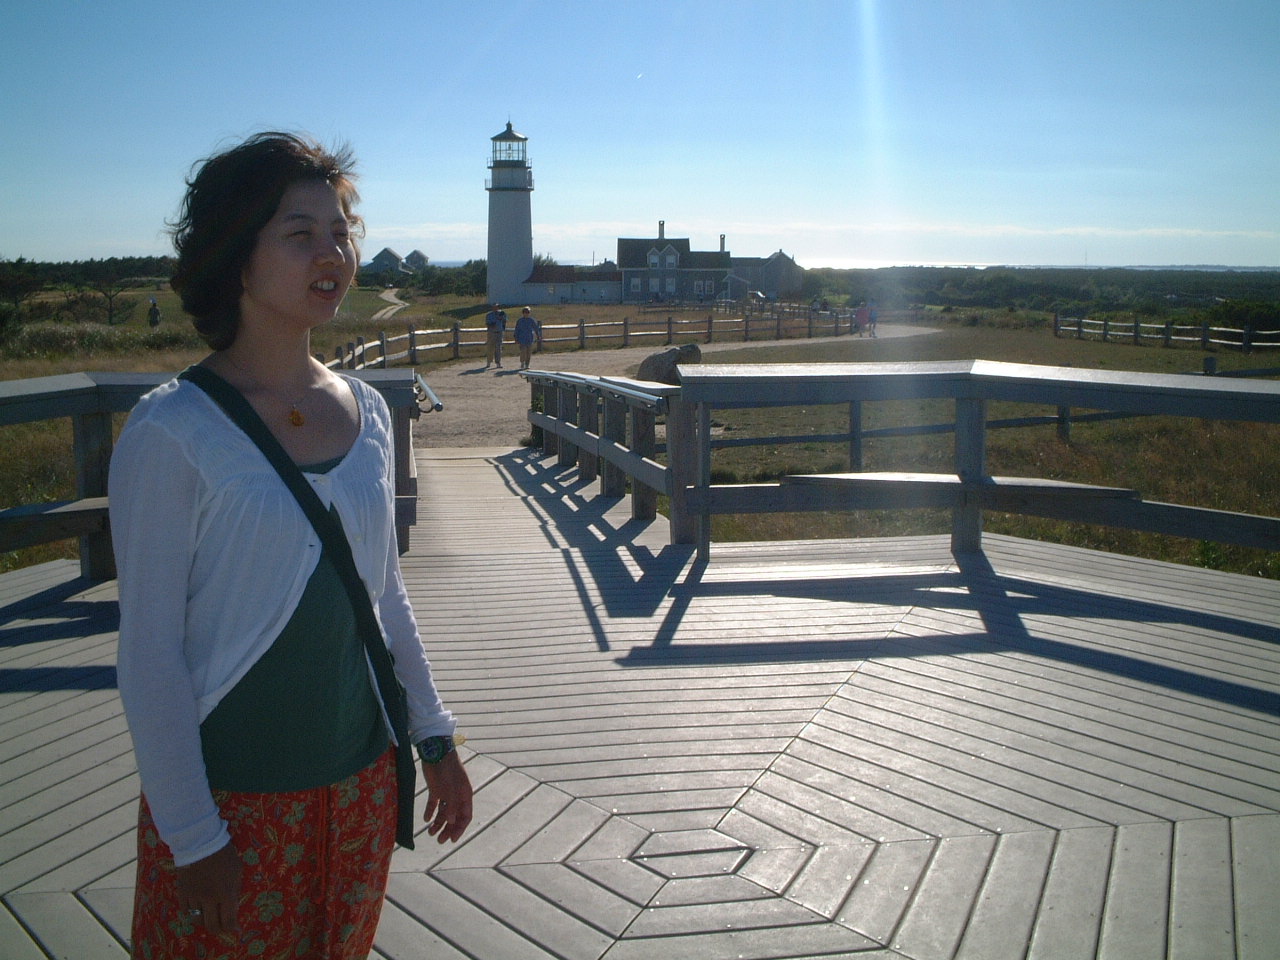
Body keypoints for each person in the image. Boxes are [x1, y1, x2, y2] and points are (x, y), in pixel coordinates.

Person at [110, 131, 473, 959]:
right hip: (230, 803)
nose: (333, 253)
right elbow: (149, 653)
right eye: (300, 233)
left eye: (341, 231)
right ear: (237, 255)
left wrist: (435, 738)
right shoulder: (173, 430)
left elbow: (385, 594)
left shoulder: (369, 413)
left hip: (361, 786)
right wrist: (192, 836)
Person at [514, 306, 540, 370]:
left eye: (528, 312)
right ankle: (522, 362)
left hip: (529, 338)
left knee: (529, 352)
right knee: (523, 351)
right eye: (525, 312)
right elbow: (517, 330)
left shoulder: (531, 320)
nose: (526, 313)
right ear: (523, 313)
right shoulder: (520, 321)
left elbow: (536, 328)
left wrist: (538, 335)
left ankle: (527, 364)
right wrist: (516, 338)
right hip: (522, 338)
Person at [484, 303, 507, 368]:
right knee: (490, 348)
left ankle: (498, 362)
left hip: (499, 333)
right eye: (494, 307)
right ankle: (489, 362)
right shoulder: (489, 315)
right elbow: (488, 324)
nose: (495, 308)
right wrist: (493, 323)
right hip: (492, 333)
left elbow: (505, 321)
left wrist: (501, 321)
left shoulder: (502, 313)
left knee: (498, 348)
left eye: (496, 307)